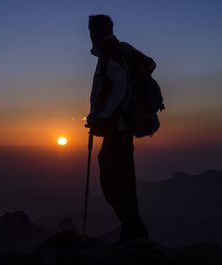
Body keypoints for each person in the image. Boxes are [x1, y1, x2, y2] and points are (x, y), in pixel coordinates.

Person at [87, 14, 154, 243]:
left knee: (111, 181)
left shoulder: (110, 54)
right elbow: (148, 64)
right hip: (124, 127)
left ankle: (134, 228)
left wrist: (100, 115)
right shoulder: (121, 49)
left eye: (91, 30)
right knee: (126, 177)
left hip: (117, 127)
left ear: (94, 32)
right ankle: (133, 231)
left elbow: (119, 86)